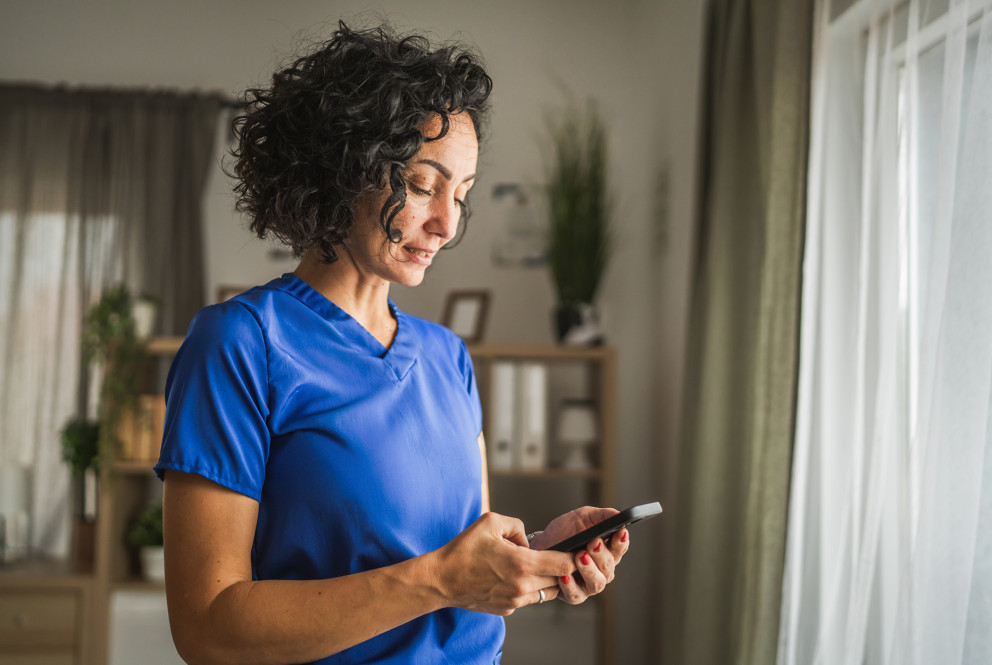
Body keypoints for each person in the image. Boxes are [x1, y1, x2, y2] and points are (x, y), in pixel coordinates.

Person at [155, 21, 629, 665]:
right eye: (424, 185)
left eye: (460, 194)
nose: (446, 223)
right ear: (343, 167)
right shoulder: (242, 343)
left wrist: (536, 557)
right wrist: (443, 578)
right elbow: (208, 630)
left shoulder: (447, 358)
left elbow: (455, 566)